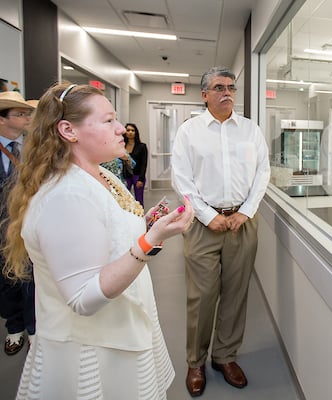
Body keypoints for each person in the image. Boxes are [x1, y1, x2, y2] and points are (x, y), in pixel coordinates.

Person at [3, 82, 195, 399]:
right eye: (108, 120)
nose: (121, 128)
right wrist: (150, 242)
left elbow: (110, 235)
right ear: (68, 130)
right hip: (94, 351)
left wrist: (149, 227)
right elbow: (84, 297)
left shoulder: (100, 175)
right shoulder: (66, 196)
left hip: (122, 332)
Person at [171, 66, 270, 397]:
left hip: (242, 222)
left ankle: (225, 356)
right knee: (202, 297)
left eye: (231, 87)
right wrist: (207, 214)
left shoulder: (250, 131)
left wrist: (246, 211)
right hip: (203, 225)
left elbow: (262, 174)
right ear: (205, 95)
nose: (227, 92)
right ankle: (195, 361)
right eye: (219, 87)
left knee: (236, 292)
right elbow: (181, 180)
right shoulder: (189, 132)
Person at [0, 91, 36, 356]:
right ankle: (15, 328)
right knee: (5, 281)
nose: (26, 118)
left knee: (29, 280)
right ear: (2, 120)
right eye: (19, 114)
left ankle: (34, 331)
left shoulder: (29, 151)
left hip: (25, 228)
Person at [124, 123, 148, 206]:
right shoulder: (121, 146)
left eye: (132, 130)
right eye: (128, 130)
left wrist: (141, 179)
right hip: (125, 176)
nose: (130, 132)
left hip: (138, 176)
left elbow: (143, 164)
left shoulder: (142, 146)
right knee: (124, 198)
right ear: (125, 132)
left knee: (139, 199)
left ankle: (140, 217)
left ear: (136, 132)